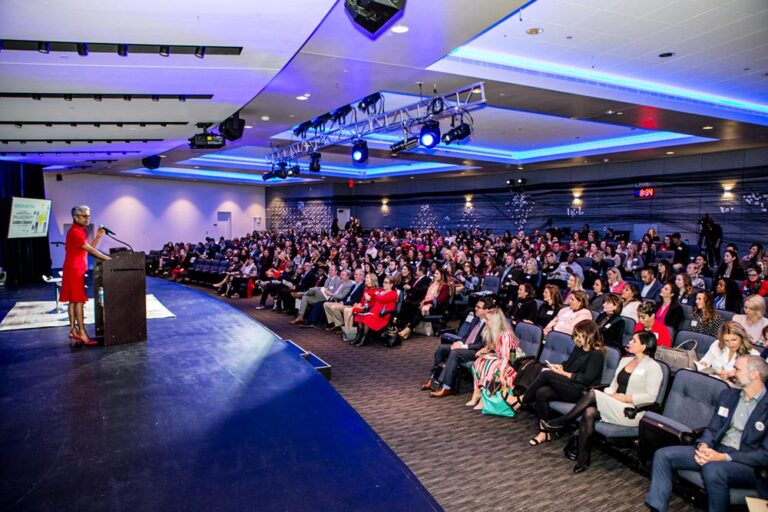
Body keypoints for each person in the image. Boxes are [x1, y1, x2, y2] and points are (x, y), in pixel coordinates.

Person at [645, 355, 768, 512]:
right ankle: (657, 508)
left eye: (737, 369)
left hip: (747, 463)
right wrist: (704, 445)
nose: (732, 372)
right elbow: (713, 428)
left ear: (754, 374)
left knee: (713, 469)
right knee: (663, 455)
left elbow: (764, 455)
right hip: (716, 450)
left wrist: (723, 457)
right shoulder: (728, 396)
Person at [543, 331, 664, 473]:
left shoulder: (654, 367)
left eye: (634, 341)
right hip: (615, 403)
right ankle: (583, 458)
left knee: (593, 393)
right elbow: (613, 385)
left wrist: (625, 398)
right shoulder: (625, 360)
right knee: (589, 412)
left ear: (644, 346)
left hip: (631, 412)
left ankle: (563, 421)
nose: (629, 342)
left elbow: (650, 397)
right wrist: (611, 395)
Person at [518, 319, 606, 446]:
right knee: (542, 392)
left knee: (546, 374)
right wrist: (559, 367)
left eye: (580, 336)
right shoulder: (579, 348)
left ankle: (522, 399)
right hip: (569, 385)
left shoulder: (597, 354)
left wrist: (563, 373)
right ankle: (544, 432)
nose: (578, 338)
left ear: (589, 335)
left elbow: (586, 379)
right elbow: (569, 364)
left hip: (581, 392)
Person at [60, 205, 111, 346]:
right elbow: (92, 251)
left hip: (75, 269)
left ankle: (73, 331)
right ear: (76, 217)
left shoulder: (79, 231)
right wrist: (109, 259)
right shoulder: (75, 232)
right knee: (78, 301)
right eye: (84, 216)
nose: (88, 218)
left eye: (88, 216)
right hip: (74, 270)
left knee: (73, 300)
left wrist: (98, 237)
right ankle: (82, 333)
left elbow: (88, 249)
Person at [424, 297, 492, 397]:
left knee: (455, 353)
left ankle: (447, 387)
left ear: (486, 310)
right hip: (465, 347)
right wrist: (459, 343)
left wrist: (463, 346)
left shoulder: (489, 324)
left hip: (477, 351)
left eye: (478, 307)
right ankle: (433, 379)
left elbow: (481, 345)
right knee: (442, 348)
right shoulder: (475, 320)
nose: (475, 308)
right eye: (476, 306)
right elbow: (466, 337)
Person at [465, 305, 520, 408]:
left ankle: (484, 397)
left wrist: (502, 372)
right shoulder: (494, 332)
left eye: (488, 320)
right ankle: (477, 392)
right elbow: (492, 346)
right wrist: (483, 350)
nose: (486, 322)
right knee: (479, 362)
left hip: (513, 361)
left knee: (490, 367)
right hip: (500, 356)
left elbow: (506, 357)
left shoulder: (505, 335)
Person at [350, 276, 398, 347]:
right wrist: (373, 294)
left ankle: (364, 339)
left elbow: (382, 299)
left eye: (386, 282)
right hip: (374, 312)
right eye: (384, 282)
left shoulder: (393, 293)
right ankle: (358, 336)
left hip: (382, 315)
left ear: (391, 285)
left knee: (367, 318)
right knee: (359, 316)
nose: (384, 284)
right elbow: (375, 296)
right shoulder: (381, 292)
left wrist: (377, 294)